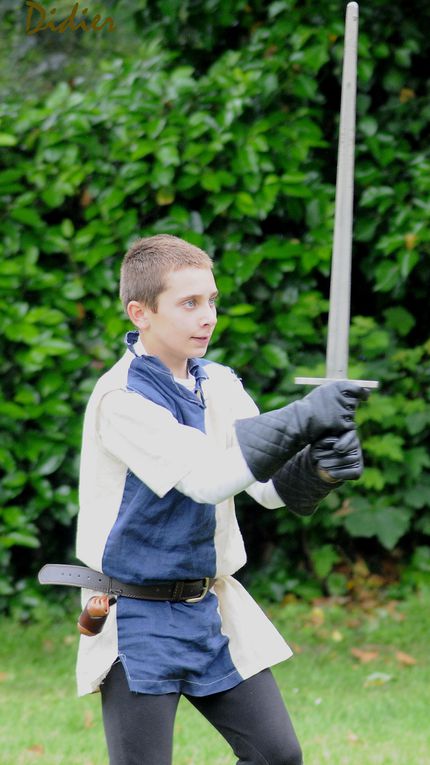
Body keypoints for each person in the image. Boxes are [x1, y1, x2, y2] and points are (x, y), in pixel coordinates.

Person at [75, 234, 367, 765]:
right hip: (132, 612)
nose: (207, 316)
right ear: (140, 312)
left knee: (278, 756)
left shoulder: (220, 384)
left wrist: (319, 469)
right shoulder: (120, 399)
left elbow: (267, 490)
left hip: (209, 608)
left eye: (211, 301)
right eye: (189, 303)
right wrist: (302, 416)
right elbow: (207, 479)